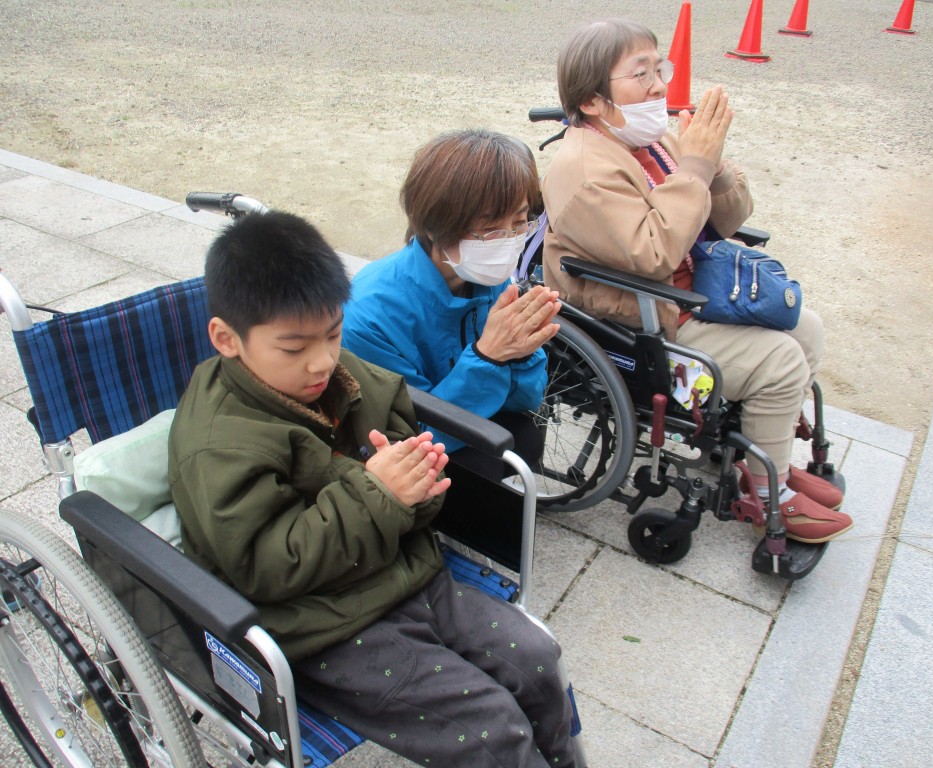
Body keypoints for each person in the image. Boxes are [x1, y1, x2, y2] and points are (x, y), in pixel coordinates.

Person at [167, 210, 577, 768]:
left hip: (406, 573)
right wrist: (379, 493)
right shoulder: (219, 444)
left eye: (332, 334)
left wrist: (419, 483)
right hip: (318, 627)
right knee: (491, 728)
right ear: (226, 339)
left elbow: (415, 473)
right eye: (293, 348)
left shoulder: (349, 377)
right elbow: (263, 568)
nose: (321, 361)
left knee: (538, 659)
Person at [540, 18, 852, 544]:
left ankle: (763, 450)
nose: (659, 85)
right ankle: (767, 491)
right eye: (641, 74)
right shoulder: (583, 170)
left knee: (807, 328)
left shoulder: (651, 139)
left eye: (659, 68)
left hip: (688, 291)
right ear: (592, 100)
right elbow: (653, 254)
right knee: (779, 361)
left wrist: (713, 166)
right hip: (642, 314)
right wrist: (694, 170)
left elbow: (727, 221)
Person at [342, 129, 559, 478]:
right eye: (490, 229)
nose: (508, 241)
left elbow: (526, 401)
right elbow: (408, 435)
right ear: (434, 224)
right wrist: (490, 355)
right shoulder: (368, 315)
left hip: (466, 421)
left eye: (520, 223)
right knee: (495, 458)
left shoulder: (488, 280)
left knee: (526, 438)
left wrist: (521, 351)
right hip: (403, 456)